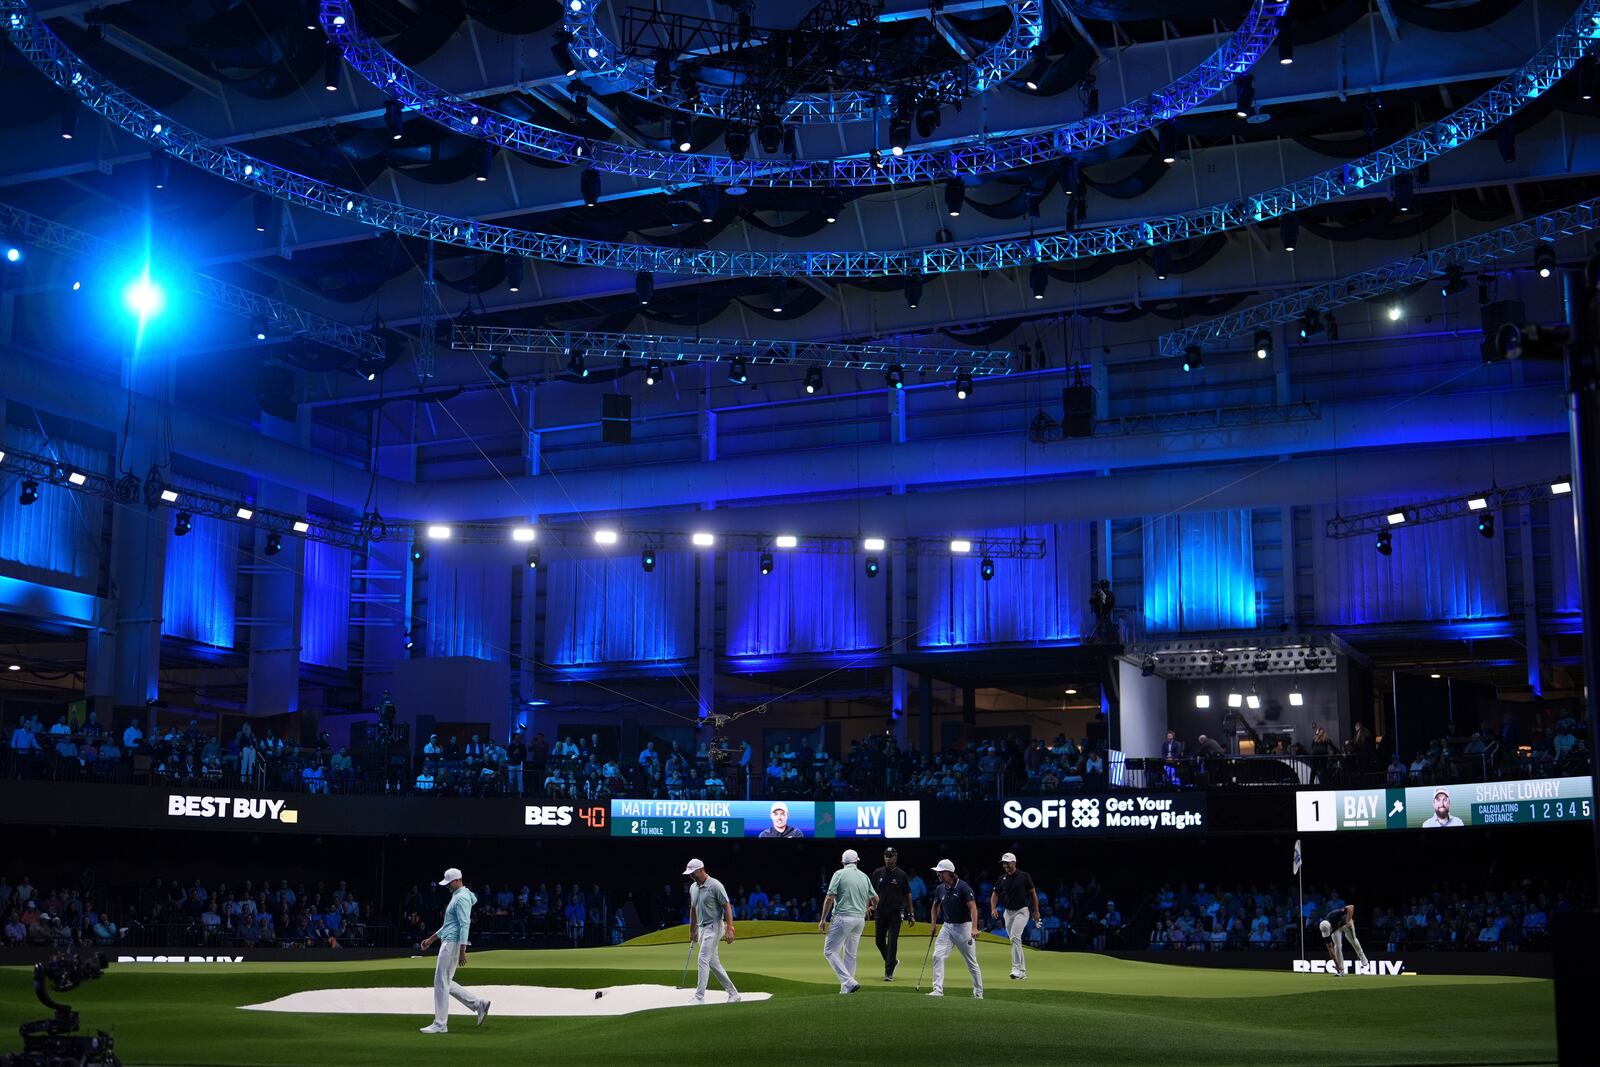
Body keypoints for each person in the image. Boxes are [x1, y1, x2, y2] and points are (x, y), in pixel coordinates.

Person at [417, 867, 489, 1033]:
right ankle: (479, 1004)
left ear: (458, 881)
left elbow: (465, 924)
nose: (447, 886)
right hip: (450, 941)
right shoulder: (458, 896)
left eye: (450, 883)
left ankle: (440, 1024)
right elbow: (448, 925)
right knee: (445, 981)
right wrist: (431, 940)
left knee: (441, 981)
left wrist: (463, 950)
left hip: (452, 943)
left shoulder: (461, 897)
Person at [819, 849, 877, 994]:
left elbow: (829, 898)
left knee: (829, 951)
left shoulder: (839, 874)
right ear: (857, 861)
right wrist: (870, 908)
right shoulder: (864, 876)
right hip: (859, 920)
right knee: (850, 954)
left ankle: (848, 981)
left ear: (842, 862)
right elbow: (876, 899)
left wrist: (822, 919)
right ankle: (846, 990)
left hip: (843, 917)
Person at [682, 859, 740, 1004]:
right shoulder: (693, 887)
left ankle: (699, 997)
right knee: (713, 963)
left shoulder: (715, 885)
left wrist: (730, 929)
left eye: (693, 873)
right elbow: (693, 909)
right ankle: (734, 994)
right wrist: (692, 930)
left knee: (702, 959)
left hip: (715, 926)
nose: (691, 876)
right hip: (702, 928)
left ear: (701, 870)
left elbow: (727, 906)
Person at [927, 858, 982, 999]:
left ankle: (978, 993)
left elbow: (973, 908)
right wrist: (933, 924)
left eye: (940, 872)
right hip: (947, 927)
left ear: (949, 873)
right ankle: (938, 990)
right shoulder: (940, 888)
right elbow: (935, 906)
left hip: (964, 927)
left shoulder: (963, 887)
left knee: (971, 962)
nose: (937, 875)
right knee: (937, 956)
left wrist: (974, 928)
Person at [991, 851, 1041, 980]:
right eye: (1003, 864)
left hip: (1022, 911)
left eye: (1007, 863)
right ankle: (1022, 971)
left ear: (1014, 862)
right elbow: (995, 894)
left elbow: (1033, 893)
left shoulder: (1024, 876)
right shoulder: (1001, 879)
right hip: (1008, 913)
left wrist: (1036, 911)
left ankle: (1015, 968)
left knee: (1015, 937)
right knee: (1014, 940)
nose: (1005, 866)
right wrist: (993, 908)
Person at [870, 847, 914, 981]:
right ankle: (892, 961)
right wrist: (868, 906)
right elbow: (870, 891)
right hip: (880, 912)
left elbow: (908, 894)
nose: (888, 858)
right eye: (886, 856)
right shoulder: (878, 873)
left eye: (890, 856)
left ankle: (888, 972)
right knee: (879, 941)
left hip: (895, 913)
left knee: (892, 942)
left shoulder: (901, 875)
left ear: (896, 857)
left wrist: (911, 913)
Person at [1319, 904, 1369, 976]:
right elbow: (1330, 949)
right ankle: (1341, 970)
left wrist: (1348, 920)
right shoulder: (1325, 931)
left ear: (1330, 926)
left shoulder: (1334, 915)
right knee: (1337, 946)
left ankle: (1362, 956)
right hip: (1337, 929)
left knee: (1353, 940)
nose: (1328, 933)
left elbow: (1351, 907)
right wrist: (1336, 964)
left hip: (1345, 923)